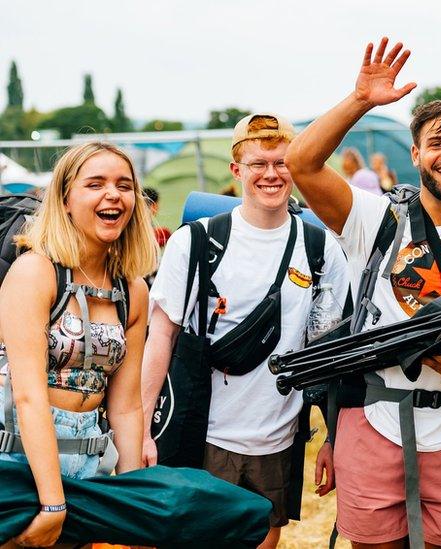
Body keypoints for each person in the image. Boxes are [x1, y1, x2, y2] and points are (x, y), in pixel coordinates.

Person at [286, 38, 441, 549]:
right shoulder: (376, 220)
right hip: (375, 422)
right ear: (417, 153)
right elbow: (302, 163)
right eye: (438, 143)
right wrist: (360, 100)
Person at [141, 113, 348, 549]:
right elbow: (161, 337)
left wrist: (333, 435)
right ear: (237, 171)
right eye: (258, 164)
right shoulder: (197, 241)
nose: (271, 174)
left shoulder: (319, 246)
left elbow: (329, 348)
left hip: (278, 435)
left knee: (264, 540)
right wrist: (140, 429)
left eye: (281, 162)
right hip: (202, 431)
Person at [0, 142, 155, 547]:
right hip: (18, 461)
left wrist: (135, 499)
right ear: (66, 199)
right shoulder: (35, 271)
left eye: (124, 185)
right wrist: (53, 505)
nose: (113, 195)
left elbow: (126, 405)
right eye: (95, 184)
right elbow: (28, 396)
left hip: (90, 464)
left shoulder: (132, 289)